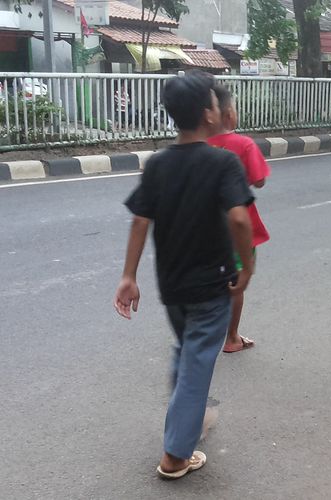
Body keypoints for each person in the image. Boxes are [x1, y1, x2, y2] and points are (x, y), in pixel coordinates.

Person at [113, 70, 254, 479]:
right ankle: (176, 454)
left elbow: (140, 221)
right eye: (215, 101)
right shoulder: (222, 161)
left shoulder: (157, 163)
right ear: (210, 114)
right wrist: (245, 267)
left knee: (187, 350)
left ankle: (188, 419)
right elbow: (241, 221)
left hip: (171, 285)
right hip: (211, 285)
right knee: (196, 363)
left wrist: (128, 276)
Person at [208, 84, 271, 354]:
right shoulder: (244, 145)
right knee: (236, 283)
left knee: (207, 280)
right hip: (237, 229)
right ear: (230, 114)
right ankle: (231, 337)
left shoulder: (196, 146)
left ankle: (200, 331)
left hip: (202, 228)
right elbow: (259, 181)